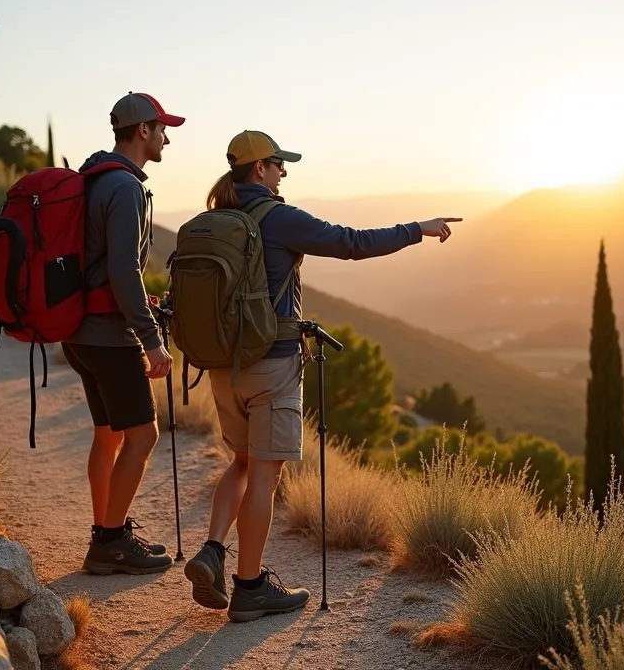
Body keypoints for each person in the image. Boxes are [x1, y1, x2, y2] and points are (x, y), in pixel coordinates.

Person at [183, 130, 458, 621]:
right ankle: (249, 588)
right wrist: (418, 227)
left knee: (242, 462)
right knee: (265, 473)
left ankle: (212, 550)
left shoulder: (211, 220)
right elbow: (350, 243)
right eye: (278, 164)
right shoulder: (278, 217)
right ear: (259, 169)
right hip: (271, 363)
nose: (284, 172)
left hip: (221, 365)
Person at [62, 91, 184, 575]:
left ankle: (106, 529)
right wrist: (151, 340)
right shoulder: (126, 187)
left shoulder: (91, 179)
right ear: (143, 132)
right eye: (161, 129)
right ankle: (110, 542)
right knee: (144, 435)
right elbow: (123, 271)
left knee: (108, 434)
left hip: (78, 333)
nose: (166, 138)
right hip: (111, 338)